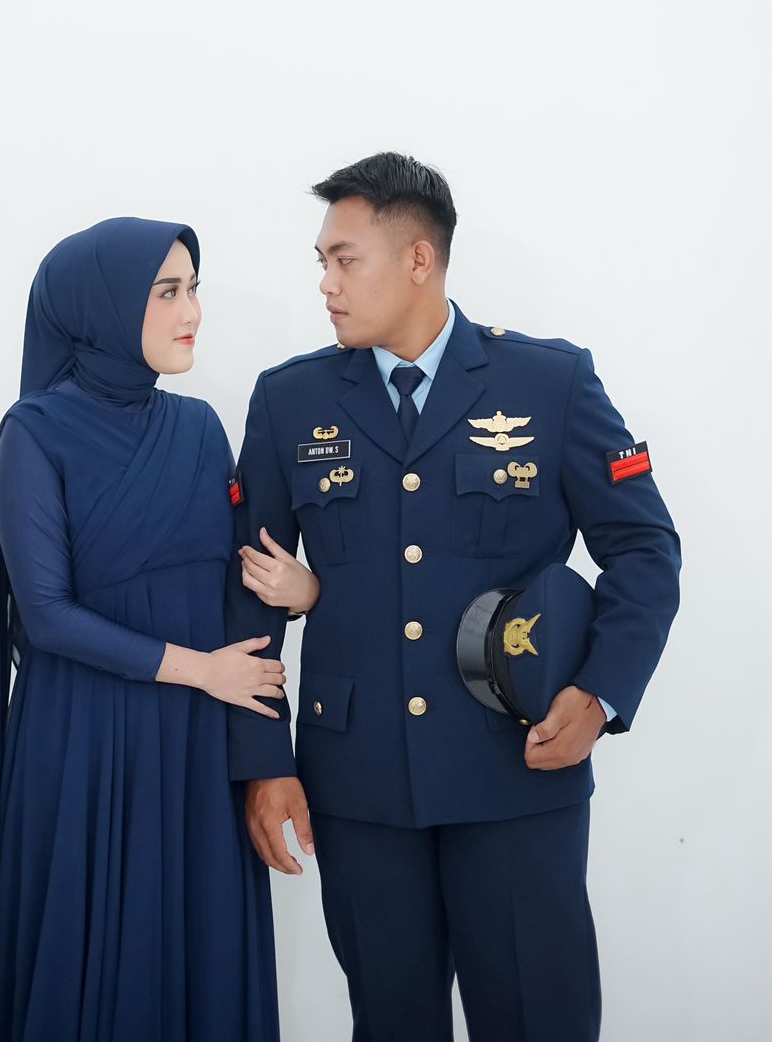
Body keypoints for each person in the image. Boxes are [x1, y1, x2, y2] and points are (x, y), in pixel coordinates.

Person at [225, 154, 682, 1042]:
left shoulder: (549, 383)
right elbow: (252, 594)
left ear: (418, 260)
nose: (325, 284)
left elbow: (644, 548)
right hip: (358, 783)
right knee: (392, 1022)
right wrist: (264, 760)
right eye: (321, 262)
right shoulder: (290, 399)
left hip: (516, 769)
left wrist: (600, 695)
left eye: (344, 260)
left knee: (538, 1020)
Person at [0, 216, 317, 1042]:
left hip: (191, 748)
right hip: (83, 742)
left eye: (194, 289)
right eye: (167, 292)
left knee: (185, 953)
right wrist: (203, 671)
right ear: (103, 307)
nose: (192, 311)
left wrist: (306, 590)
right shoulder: (34, 431)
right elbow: (46, 614)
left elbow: (242, 577)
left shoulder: (199, 426)